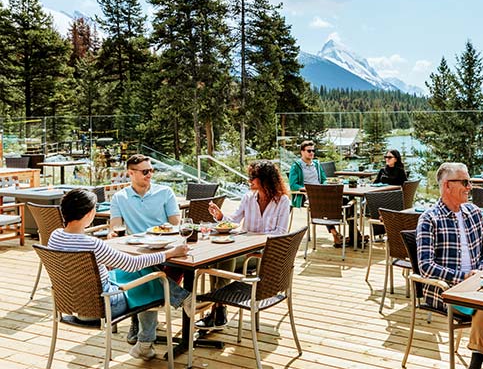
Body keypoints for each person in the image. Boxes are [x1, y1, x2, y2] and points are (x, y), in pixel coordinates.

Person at [47, 189, 193, 361]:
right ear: (89, 213)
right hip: (104, 306)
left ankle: (183, 300)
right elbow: (132, 264)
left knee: (143, 271)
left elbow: (125, 265)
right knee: (150, 280)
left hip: (75, 305)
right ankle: (149, 340)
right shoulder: (92, 244)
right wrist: (170, 253)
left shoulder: (55, 236)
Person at [416, 163, 483, 369]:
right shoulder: (429, 219)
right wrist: (464, 276)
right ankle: (478, 365)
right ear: (447, 186)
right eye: (465, 182)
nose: (470, 187)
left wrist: (480, 271)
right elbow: (426, 267)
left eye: (469, 181)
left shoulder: (473, 212)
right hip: (445, 290)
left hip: (477, 285)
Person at [194, 160, 292, 329]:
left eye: (253, 177)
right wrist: (219, 216)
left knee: (224, 260)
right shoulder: (248, 197)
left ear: (266, 179)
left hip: (262, 255)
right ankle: (219, 308)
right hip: (242, 250)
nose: (249, 180)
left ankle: (215, 306)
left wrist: (252, 238)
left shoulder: (282, 201)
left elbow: (280, 233)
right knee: (219, 258)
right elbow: (234, 221)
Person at [108, 154, 182, 345]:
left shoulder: (165, 192)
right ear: (130, 173)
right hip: (137, 251)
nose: (150, 174)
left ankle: (138, 321)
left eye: (151, 170)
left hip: (165, 249)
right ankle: (182, 299)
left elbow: (177, 225)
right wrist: (112, 235)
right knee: (138, 269)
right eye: (145, 171)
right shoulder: (119, 197)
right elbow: (115, 228)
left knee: (139, 270)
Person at [288, 140, 354, 247]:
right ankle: (335, 234)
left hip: (322, 193)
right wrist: (309, 190)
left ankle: (355, 233)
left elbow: (323, 179)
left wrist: (324, 186)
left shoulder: (317, 164)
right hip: (307, 196)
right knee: (325, 205)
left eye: (313, 151)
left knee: (346, 201)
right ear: (302, 152)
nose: (312, 153)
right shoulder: (296, 166)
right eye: (309, 151)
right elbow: (293, 185)